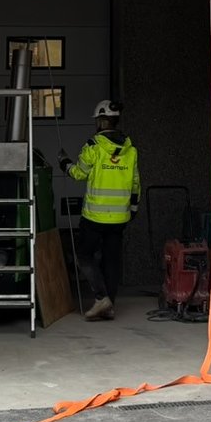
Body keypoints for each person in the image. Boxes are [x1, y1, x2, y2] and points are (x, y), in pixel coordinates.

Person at [60, 99, 141, 321]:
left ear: (102, 121)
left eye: (98, 120)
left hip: (94, 217)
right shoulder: (130, 149)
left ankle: (101, 297)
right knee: (111, 260)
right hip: (119, 217)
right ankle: (109, 306)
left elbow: (79, 173)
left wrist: (64, 163)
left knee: (84, 255)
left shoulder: (94, 147)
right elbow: (135, 184)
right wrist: (132, 208)